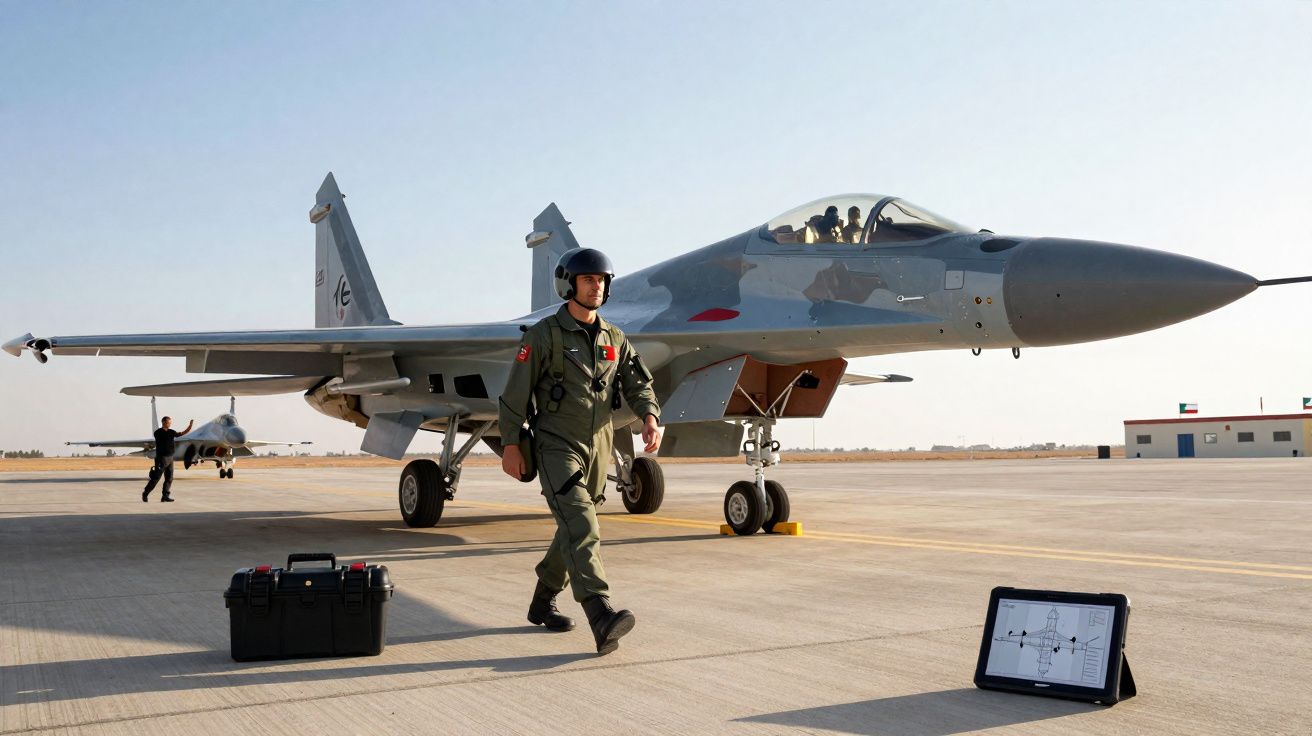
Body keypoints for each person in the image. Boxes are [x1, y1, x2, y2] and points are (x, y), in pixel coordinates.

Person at [498, 247, 662, 656]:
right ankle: (600, 613)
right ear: (569, 284)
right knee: (583, 524)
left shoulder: (614, 337)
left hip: (599, 446)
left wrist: (649, 416)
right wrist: (510, 444)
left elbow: (637, 383)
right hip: (556, 444)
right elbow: (515, 395)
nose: (596, 287)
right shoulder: (543, 335)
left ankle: (542, 602)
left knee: (573, 527)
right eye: (588, 279)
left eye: (601, 280)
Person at [142, 415, 193, 502]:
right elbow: (162, 438)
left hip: (170, 458)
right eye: (168, 423)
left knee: (169, 478)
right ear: (164, 422)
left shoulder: (171, 432)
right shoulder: (157, 433)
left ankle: (165, 496)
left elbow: (182, 433)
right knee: (156, 478)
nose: (170, 424)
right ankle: (145, 493)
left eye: (170, 423)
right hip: (161, 458)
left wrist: (190, 426)